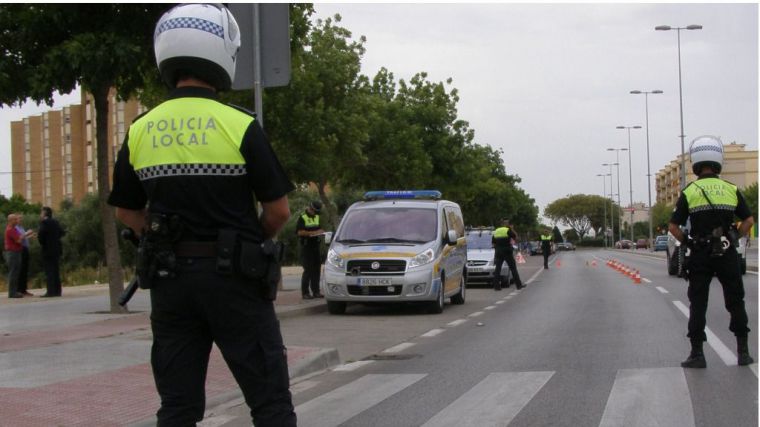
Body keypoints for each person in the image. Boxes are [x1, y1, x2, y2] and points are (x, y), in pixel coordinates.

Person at [107, 4, 296, 426]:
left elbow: (125, 210)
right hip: (236, 281)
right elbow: (278, 211)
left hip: (171, 284)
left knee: (177, 406)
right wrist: (250, 236)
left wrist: (156, 239)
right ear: (223, 52)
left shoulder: (141, 128)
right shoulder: (239, 125)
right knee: (270, 404)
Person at [668, 135, 755, 369]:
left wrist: (689, 242)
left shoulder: (690, 191)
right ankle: (743, 352)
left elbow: (673, 227)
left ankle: (697, 354)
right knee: (736, 301)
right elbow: (748, 220)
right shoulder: (731, 189)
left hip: (700, 254)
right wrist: (734, 237)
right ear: (718, 161)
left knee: (698, 303)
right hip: (726, 253)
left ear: (695, 162)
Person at [296, 200, 325, 299]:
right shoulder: (302, 217)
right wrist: (312, 233)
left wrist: (321, 231)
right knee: (308, 270)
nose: (316, 213)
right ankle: (305, 293)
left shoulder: (316, 216)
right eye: (315, 211)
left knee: (317, 269)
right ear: (311, 209)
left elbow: (320, 229)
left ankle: (316, 291)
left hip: (315, 246)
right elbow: (300, 232)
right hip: (306, 246)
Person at [38, 207, 64, 297]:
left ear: (45, 213)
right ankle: (58, 291)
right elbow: (62, 232)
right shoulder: (55, 222)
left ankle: (51, 291)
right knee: (56, 270)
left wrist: (44, 242)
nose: (40, 215)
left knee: (49, 271)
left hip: (48, 250)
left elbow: (41, 235)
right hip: (56, 249)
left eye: (41, 213)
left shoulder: (44, 223)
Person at [492, 219, 523, 291]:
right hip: (507, 251)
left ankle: (496, 286)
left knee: (498, 269)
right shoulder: (507, 230)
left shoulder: (496, 231)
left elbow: (493, 243)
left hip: (498, 252)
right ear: (506, 224)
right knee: (513, 268)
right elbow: (516, 238)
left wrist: (498, 247)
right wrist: (512, 229)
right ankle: (519, 285)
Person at [14, 214, 35, 297]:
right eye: (19, 218)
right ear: (16, 220)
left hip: (25, 249)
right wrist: (27, 233)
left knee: (25, 269)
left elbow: (23, 238)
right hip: (21, 250)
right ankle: (19, 289)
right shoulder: (15, 228)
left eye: (21, 218)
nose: (21, 220)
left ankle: (24, 289)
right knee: (21, 269)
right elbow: (19, 238)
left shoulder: (21, 228)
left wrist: (30, 236)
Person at [4, 214, 24, 298]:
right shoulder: (10, 230)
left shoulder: (13, 229)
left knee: (15, 272)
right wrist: (24, 235)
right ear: (10, 220)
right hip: (13, 253)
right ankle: (12, 293)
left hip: (16, 252)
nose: (17, 221)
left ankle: (14, 291)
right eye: (15, 219)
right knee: (13, 272)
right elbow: (18, 240)